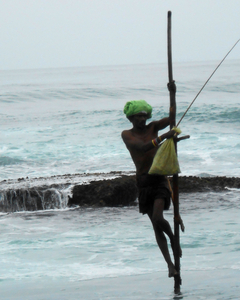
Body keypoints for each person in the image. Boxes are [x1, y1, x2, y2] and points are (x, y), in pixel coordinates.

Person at [121, 97, 182, 278]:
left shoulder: (153, 127)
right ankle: (170, 265)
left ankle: (173, 238)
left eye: (144, 116)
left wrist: (173, 93)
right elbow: (142, 148)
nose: (142, 119)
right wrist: (164, 137)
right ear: (131, 118)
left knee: (158, 217)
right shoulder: (127, 134)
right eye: (138, 117)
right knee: (156, 226)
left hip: (159, 179)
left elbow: (172, 119)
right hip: (143, 182)